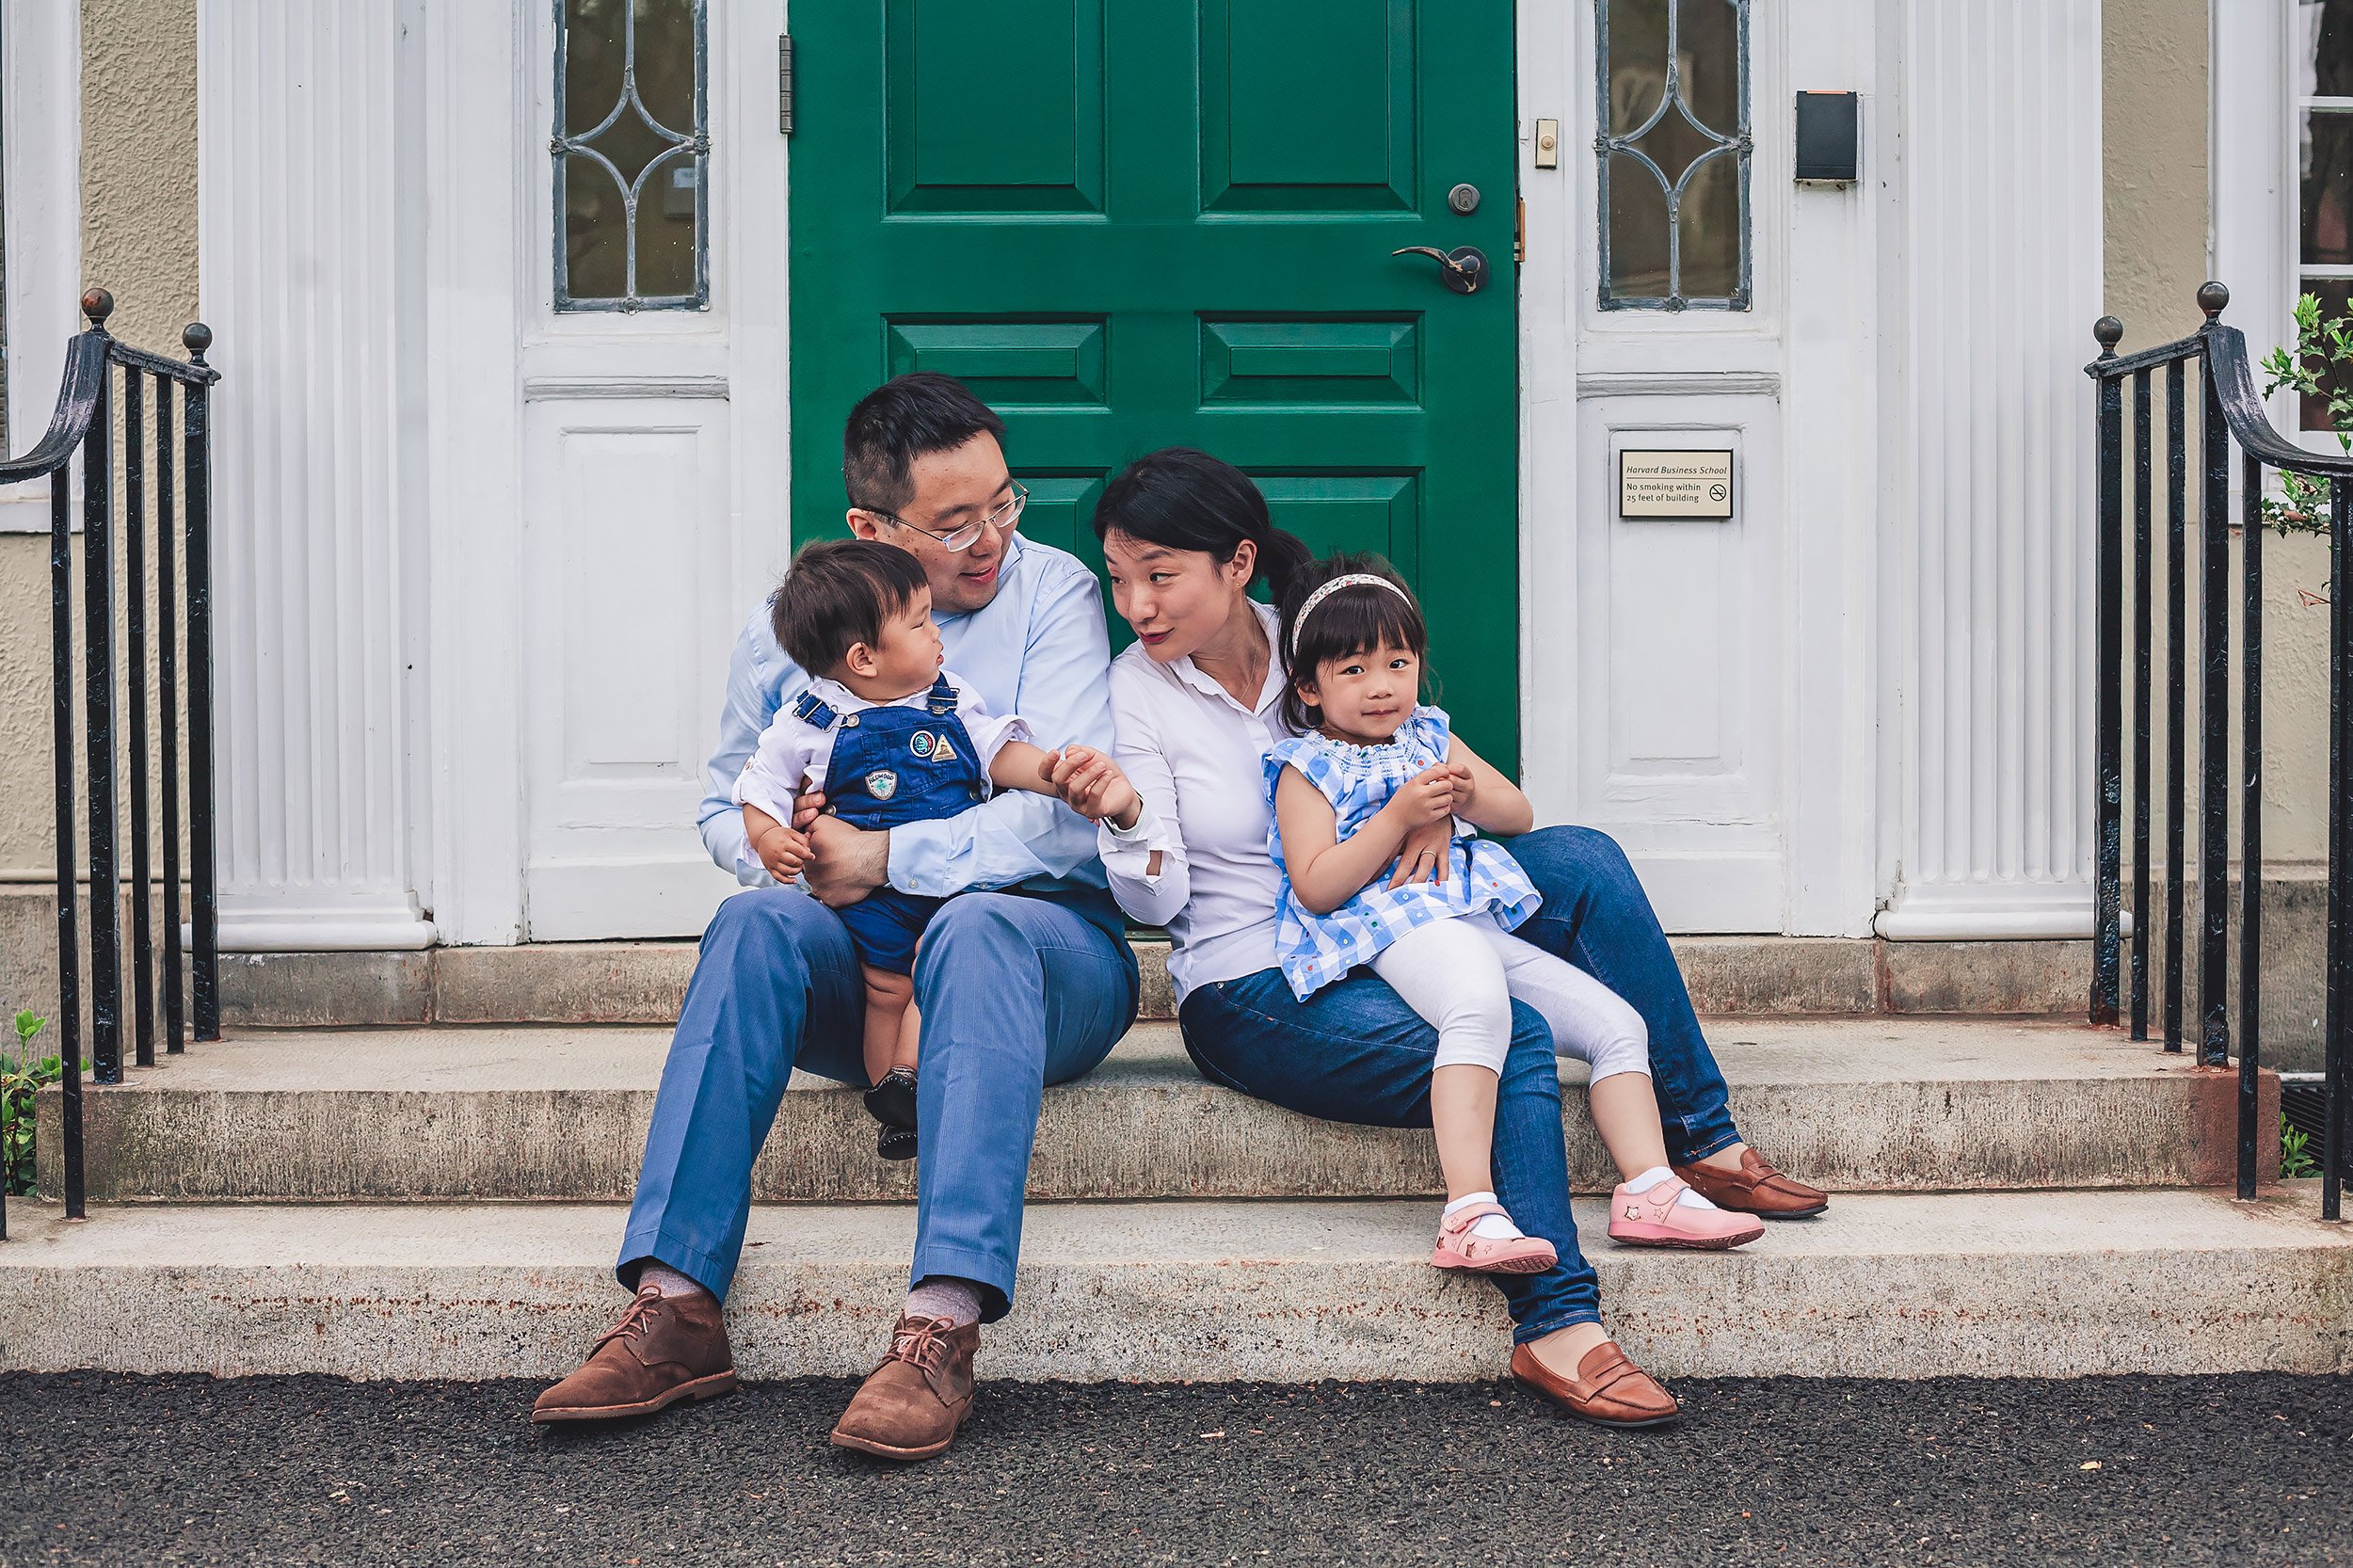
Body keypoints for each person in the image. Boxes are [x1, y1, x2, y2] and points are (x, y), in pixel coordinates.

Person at [1053, 447, 1829, 1427]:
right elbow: (1159, 907)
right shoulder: (1138, 689)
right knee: (1515, 1030)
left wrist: (1431, 808)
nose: (1136, 605)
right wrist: (1123, 819)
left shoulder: (1328, 627)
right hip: (1257, 977)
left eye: (1158, 576)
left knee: (1581, 857)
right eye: (1120, 580)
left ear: (1237, 562)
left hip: (1409, 909)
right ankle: (1557, 1323)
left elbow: (1437, 756)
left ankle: (1698, 1139)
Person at [534, 374, 1141, 1465]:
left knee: (977, 925)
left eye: (1004, 504)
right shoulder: (797, 628)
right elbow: (727, 799)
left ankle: (942, 1324)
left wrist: (889, 854)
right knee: (752, 925)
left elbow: (1056, 824)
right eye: (954, 524)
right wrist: (785, 850)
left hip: (1048, 957)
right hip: (862, 958)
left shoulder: (1049, 593)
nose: (991, 539)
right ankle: (675, 1307)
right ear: (872, 527)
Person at [1263, 552, 1762, 1258]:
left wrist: (1455, 800)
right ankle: (1468, 1212)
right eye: (1353, 670)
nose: (1382, 687)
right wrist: (1401, 816)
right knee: (1480, 1009)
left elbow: (1518, 812)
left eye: (1397, 663)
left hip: (1456, 917)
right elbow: (1316, 884)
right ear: (1309, 688)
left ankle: (1650, 1190)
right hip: (1388, 925)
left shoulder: (1428, 735)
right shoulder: (1305, 766)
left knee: (1618, 1024)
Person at [738, 538, 1140, 1162]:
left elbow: (995, 752)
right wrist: (770, 837)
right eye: (921, 623)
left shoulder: (948, 697)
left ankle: (914, 1076)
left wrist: (1053, 772)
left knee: (940, 966)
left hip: (955, 883)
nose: (937, 635)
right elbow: (757, 787)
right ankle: (891, 1097)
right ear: (864, 658)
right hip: (873, 899)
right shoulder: (810, 720)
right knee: (886, 990)